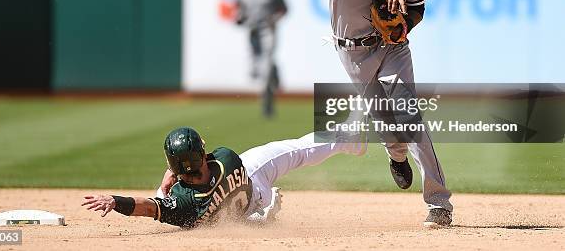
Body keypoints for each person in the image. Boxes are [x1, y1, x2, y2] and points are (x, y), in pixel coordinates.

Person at [329, 0, 453, 227]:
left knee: (409, 117)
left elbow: (417, 8)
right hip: (353, 50)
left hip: (392, 49)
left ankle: (439, 202)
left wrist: (402, 29)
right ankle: (396, 155)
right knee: (388, 128)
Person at [82, 127, 366, 228]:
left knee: (228, 219)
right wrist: (174, 173)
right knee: (298, 151)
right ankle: (349, 139)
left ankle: (258, 220)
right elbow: (203, 160)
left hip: (243, 210)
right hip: (254, 182)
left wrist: (115, 200)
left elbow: (147, 207)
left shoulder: (182, 206)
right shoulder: (226, 158)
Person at [235, 0, 288, 117]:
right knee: (255, 71)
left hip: (267, 31)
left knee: (265, 66)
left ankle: (267, 103)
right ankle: (275, 70)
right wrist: (239, 19)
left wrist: (274, 19)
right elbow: (240, 11)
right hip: (252, 31)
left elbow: (284, 9)